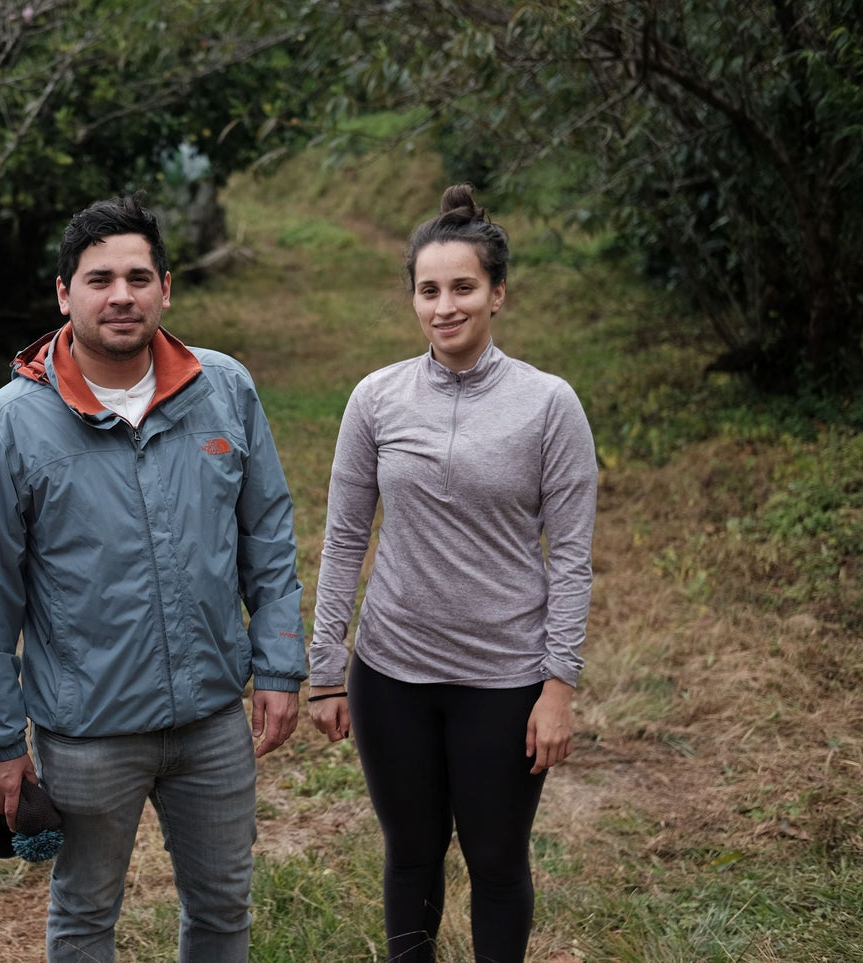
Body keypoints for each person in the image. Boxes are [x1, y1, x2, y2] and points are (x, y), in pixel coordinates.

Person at [0, 194, 306, 962]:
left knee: (223, 906)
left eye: (138, 278)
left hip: (212, 720)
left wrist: (278, 663)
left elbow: (267, 536)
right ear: (63, 293)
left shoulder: (223, 389)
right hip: (87, 734)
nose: (120, 295)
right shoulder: (6, 426)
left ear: (164, 288)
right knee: (84, 917)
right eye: (99, 279)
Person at [308, 184, 598, 962]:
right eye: (427, 290)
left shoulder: (548, 405)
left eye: (462, 287)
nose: (444, 307)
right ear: (411, 297)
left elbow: (571, 556)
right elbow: (344, 536)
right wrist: (326, 668)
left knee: (496, 860)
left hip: (504, 679)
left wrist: (558, 686)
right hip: (391, 672)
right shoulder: (375, 398)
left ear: (496, 293)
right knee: (410, 853)